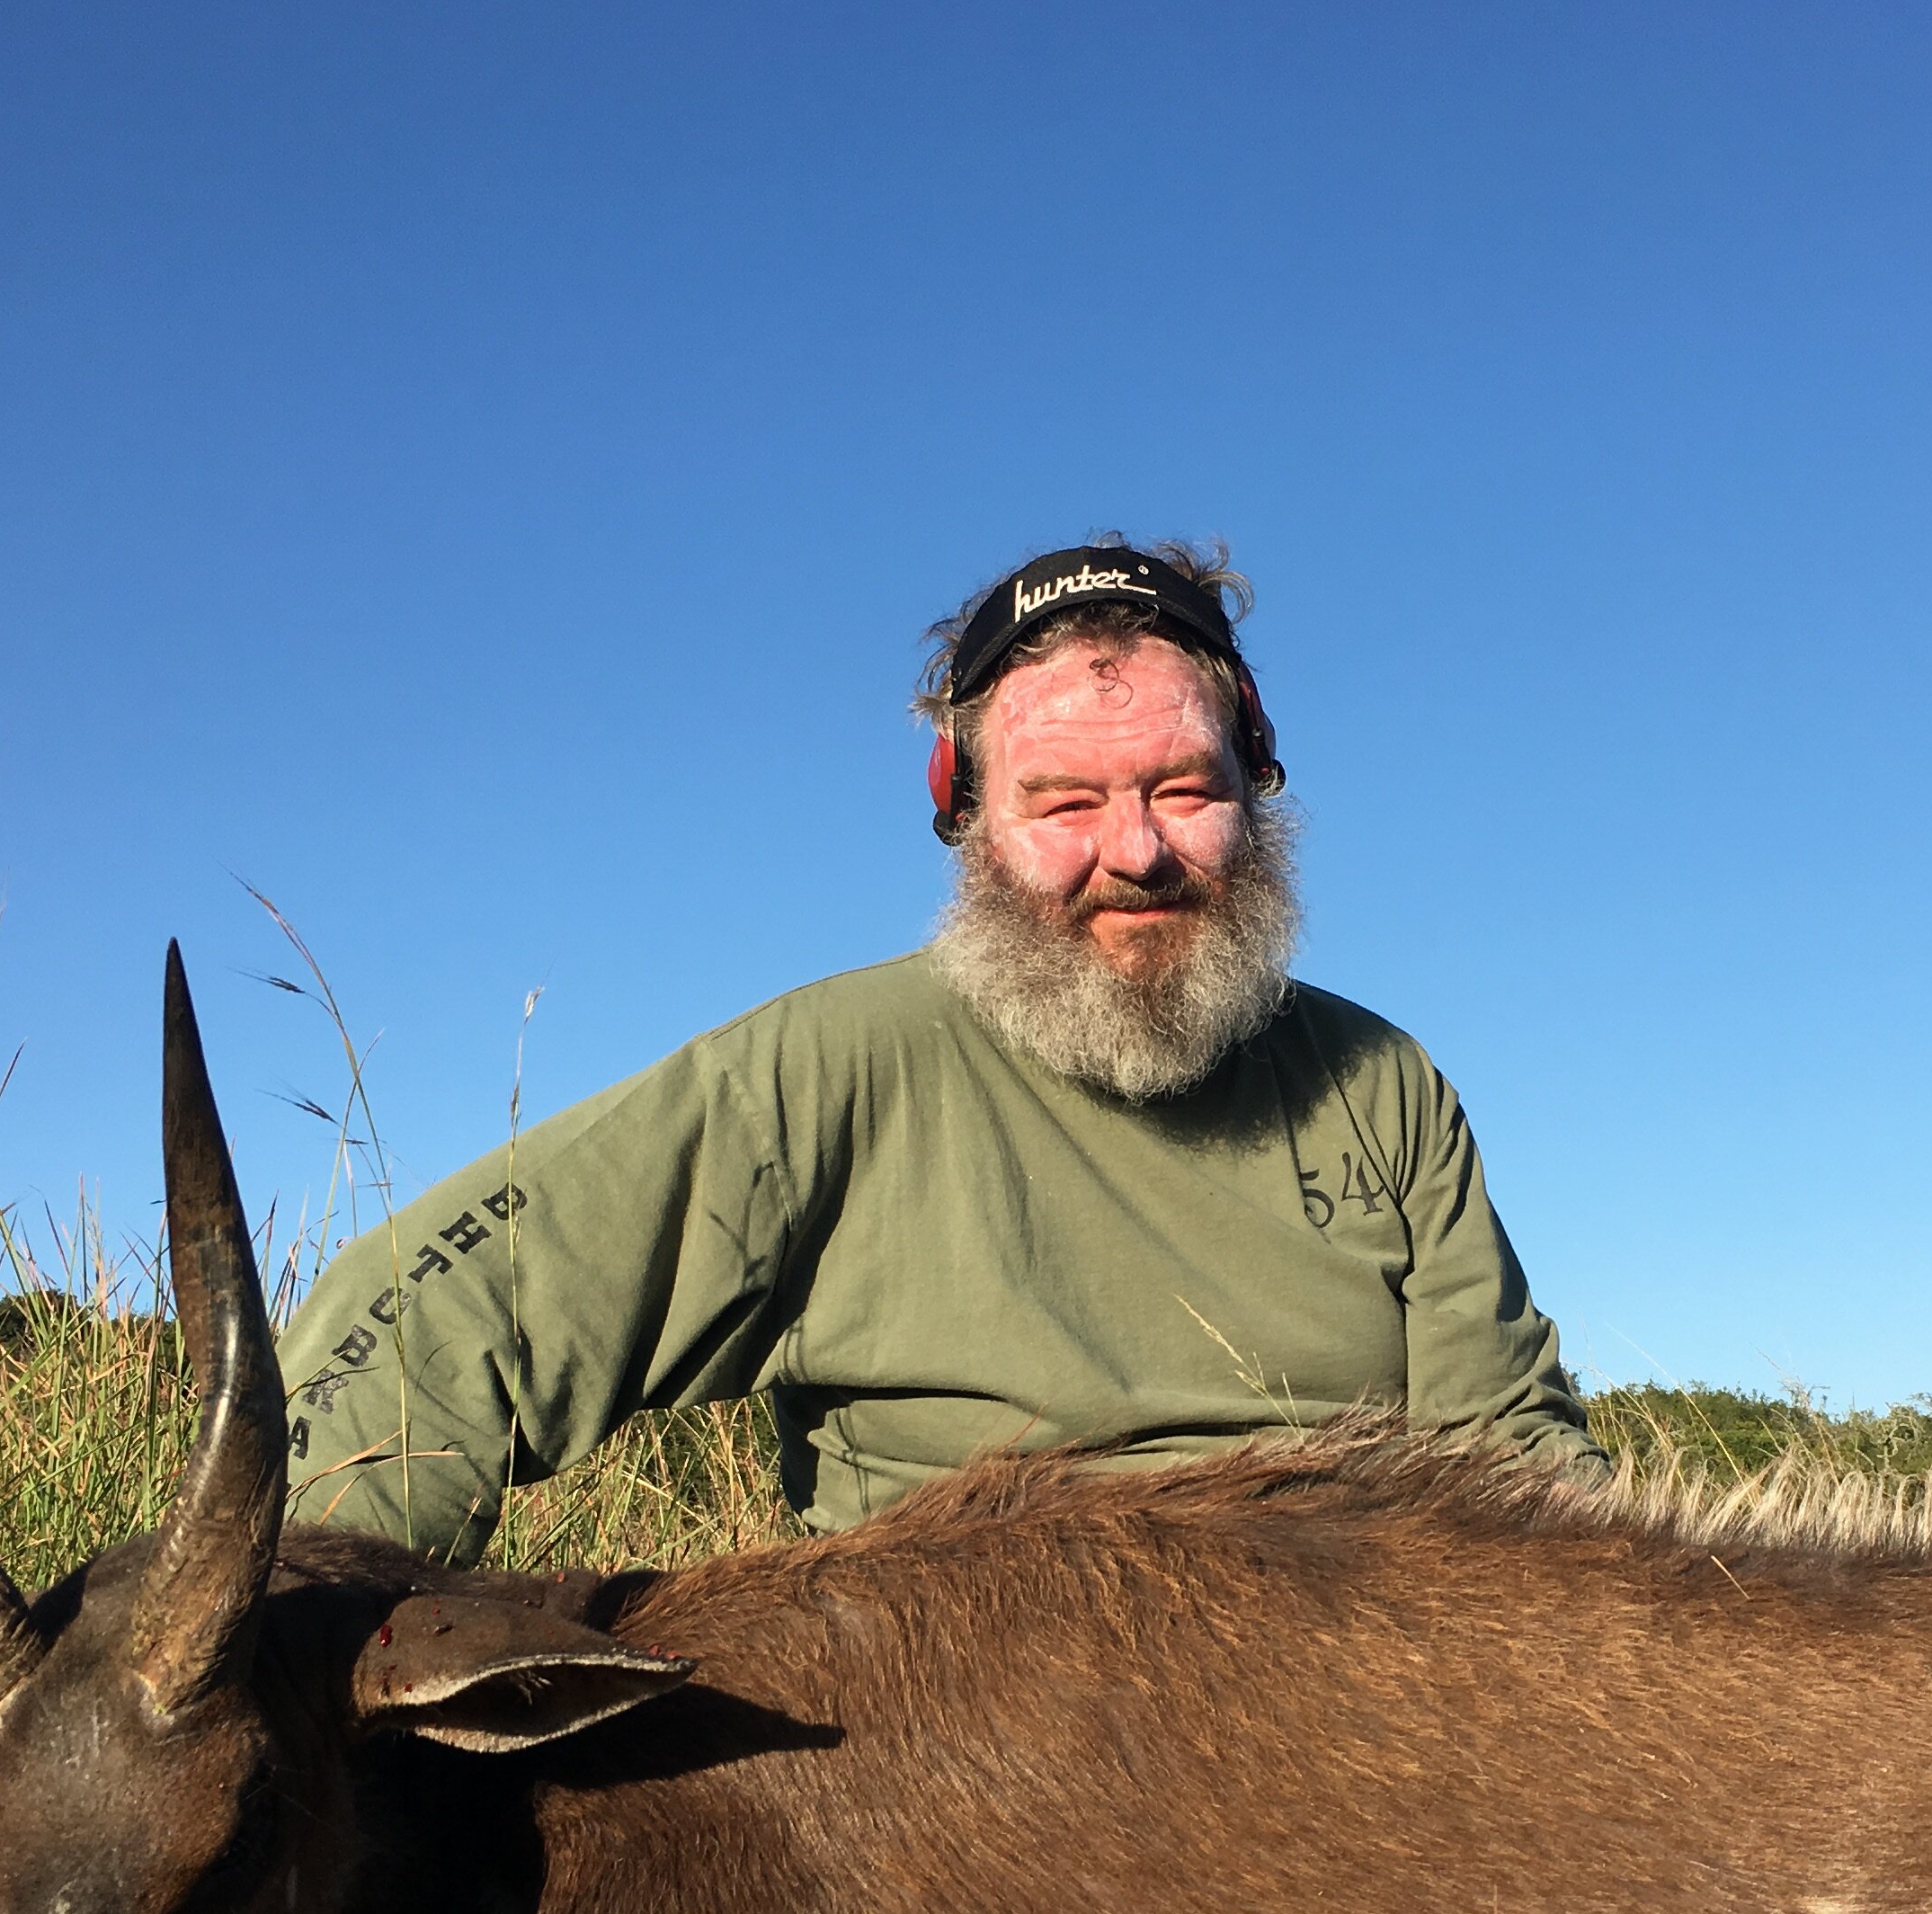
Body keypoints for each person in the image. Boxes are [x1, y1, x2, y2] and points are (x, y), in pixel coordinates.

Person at [278, 538, 1604, 1557]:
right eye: (1065, 802)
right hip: (961, 1749)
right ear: (965, 818)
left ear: (1257, 790)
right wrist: (320, 1639)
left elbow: (1518, 1465)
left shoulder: (1381, 1086)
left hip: (1359, 1712)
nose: (1135, 852)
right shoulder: (824, 1074)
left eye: (1183, 790)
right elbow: (420, 1322)